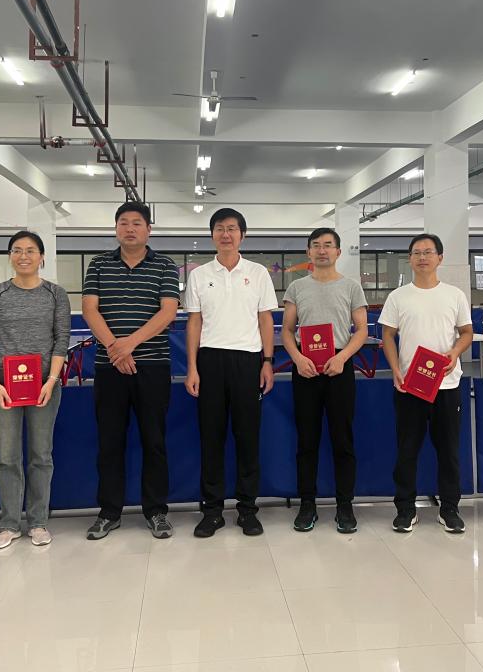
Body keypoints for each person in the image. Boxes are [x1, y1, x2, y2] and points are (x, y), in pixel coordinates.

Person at [81, 202, 180, 540]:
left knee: (155, 441)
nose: (130, 228)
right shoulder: (98, 264)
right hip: (109, 368)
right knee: (110, 442)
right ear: (116, 229)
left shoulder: (165, 265)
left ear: (148, 230)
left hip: (153, 366)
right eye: (123, 222)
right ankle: (109, 512)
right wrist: (115, 347)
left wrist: (130, 344)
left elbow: (168, 312)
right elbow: (90, 310)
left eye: (137, 223)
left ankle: (157, 511)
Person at [184, 208, 277, 537]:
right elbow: (194, 322)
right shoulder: (199, 275)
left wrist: (268, 361)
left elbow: (265, 319)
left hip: (248, 361)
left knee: (247, 437)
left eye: (232, 229)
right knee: (211, 438)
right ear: (212, 235)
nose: (226, 234)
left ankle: (248, 510)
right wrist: (192, 367)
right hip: (210, 361)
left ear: (242, 235)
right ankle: (212, 511)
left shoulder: (258, 273)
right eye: (220, 229)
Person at [0, 231, 70, 549]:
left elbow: (61, 340)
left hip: (44, 384)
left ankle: (38, 522)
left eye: (31, 250)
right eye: (17, 250)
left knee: (41, 455)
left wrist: (51, 380)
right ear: (10, 257)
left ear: (42, 257)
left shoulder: (55, 294)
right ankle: (9, 524)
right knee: (6, 456)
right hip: (4, 386)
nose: (24, 256)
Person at [379, 234, 472, 534]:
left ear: (440, 258)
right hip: (409, 386)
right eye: (417, 252)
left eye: (428, 252)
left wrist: (454, 353)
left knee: (449, 451)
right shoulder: (398, 297)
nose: (422, 257)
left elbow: (466, 332)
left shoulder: (454, 295)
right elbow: (387, 336)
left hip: (447, 385)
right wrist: (395, 369)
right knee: (407, 450)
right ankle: (406, 509)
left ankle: (450, 509)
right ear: (409, 258)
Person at [281, 227, 368, 533]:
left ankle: (345, 506)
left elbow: (361, 330)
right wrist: (297, 358)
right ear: (308, 252)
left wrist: (343, 358)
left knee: (343, 440)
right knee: (307, 441)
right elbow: (287, 330)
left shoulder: (351, 287)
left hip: (339, 366)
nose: (322, 250)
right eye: (316, 245)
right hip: (305, 367)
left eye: (328, 245)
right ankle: (307, 504)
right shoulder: (297, 287)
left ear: (338, 252)